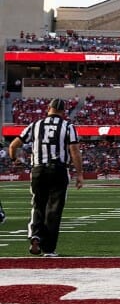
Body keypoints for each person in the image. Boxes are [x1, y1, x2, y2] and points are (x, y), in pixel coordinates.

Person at [8, 98, 84, 256]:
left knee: (38, 205)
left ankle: (35, 235)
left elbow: (13, 145)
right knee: (54, 209)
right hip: (58, 170)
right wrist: (80, 174)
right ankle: (49, 249)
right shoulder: (68, 127)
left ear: (48, 108)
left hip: (38, 170)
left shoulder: (35, 125)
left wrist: (14, 159)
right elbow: (74, 151)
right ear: (63, 112)